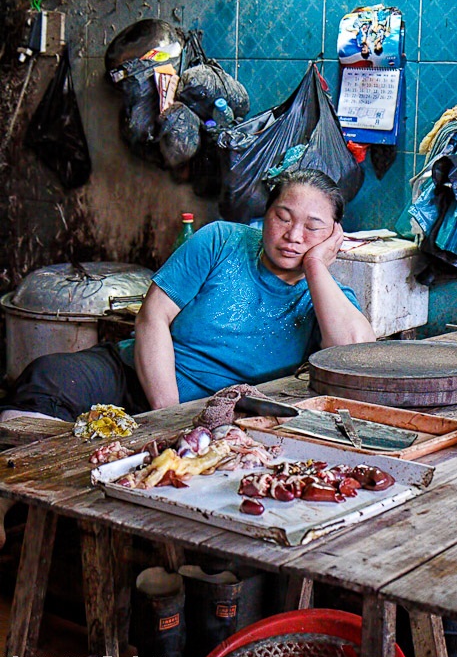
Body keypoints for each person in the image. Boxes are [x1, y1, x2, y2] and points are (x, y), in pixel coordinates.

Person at [0, 169, 374, 544]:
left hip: (214, 412)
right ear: (267, 212)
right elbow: (152, 316)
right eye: (283, 217)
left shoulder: (325, 295)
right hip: (140, 372)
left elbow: (355, 356)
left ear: (334, 236)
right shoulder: (221, 241)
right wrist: (167, 415)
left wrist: (314, 267)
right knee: (48, 377)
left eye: (313, 227)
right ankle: (10, 505)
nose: (293, 236)